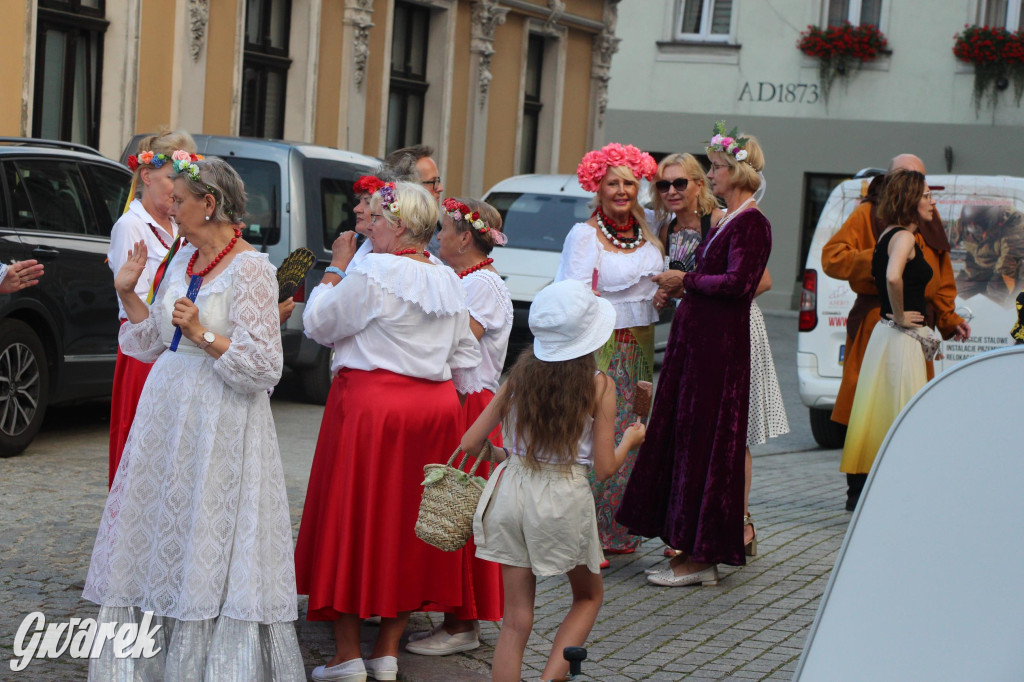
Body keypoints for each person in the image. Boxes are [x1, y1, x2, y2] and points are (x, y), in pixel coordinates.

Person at [83, 158, 304, 679]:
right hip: (168, 409)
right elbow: (151, 341)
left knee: (209, 527)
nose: (169, 207)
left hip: (222, 415)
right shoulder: (181, 257)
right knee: (165, 526)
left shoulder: (251, 269)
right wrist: (129, 292)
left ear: (209, 204)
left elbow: (263, 366)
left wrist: (204, 333)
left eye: (179, 200)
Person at [295, 181, 481, 682]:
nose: (367, 224)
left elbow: (318, 323)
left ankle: (348, 654)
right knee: (408, 527)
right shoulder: (446, 279)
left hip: (374, 410)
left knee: (354, 519)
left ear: (397, 225)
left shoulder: (373, 270)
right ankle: (388, 649)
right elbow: (467, 359)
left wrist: (335, 268)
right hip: (434, 411)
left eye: (375, 217)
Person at [460, 279, 646, 682]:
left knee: (516, 619)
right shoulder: (599, 385)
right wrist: (631, 440)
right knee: (588, 595)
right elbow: (603, 469)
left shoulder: (519, 378)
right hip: (563, 497)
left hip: (511, 491)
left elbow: (471, 442)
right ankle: (550, 679)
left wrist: (506, 455)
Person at [616, 122, 772, 587]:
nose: (713, 174)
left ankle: (701, 557)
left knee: (709, 448)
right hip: (697, 346)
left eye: (719, 167)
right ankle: (685, 547)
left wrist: (687, 281)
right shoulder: (730, 218)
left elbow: (741, 285)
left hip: (718, 353)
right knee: (687, 444)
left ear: (738, 172)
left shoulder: (752, 222)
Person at [822, 153, 969, 510]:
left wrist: (949, 319)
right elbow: (833, 258)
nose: (921, 189)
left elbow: (941, 280)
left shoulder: (928, 226)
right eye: (908, 178)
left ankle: (901, 482)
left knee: (907, 405)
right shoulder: (868, 215)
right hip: (880, 319)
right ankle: (859, 487)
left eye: (920, 178)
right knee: (869, 404)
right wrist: (887, 258)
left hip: (918, 326)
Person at [406, 197, 511, 656]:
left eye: (444, 230)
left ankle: (463, 622)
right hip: (460, 402)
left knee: (462, 511)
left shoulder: (483, 284)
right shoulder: (464, 278)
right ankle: (452, 612)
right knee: (448, 507)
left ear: (465, 237)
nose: (438, 238)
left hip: (474, 406)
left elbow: (457, 343)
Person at [555, 142, 662, 559]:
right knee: (598, 431)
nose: (621, 191)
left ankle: (620, 528)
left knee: (634, 428)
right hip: (602, 342)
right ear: (597, 188)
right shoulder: (584, 235)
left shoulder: (650, 226)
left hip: (642, 339)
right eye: (612, 183)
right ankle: (587, 532)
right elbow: (574, 293)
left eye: (629, 184)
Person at [106, 130, 199, 487]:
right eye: (171, 178)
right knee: (140, 440)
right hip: (144, 347)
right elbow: (133, 298)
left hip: (174, 347)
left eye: (183, 179)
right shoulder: (131, 226)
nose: (177, 188)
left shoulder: (179, 224)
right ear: (146, 176)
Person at [840, 170, 940, 485]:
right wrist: (899, 315)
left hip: (887, 337)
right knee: (902, 411)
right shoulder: (905, 237)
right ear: (911, 200)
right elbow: (893, 276)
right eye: (926, 195)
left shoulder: (888, 234)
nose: (932, 201)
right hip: (899, 337)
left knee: (880, 411)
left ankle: (875, 485)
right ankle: (901, 482)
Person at [949, 204, 1024, 303]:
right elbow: (944, 243)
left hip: (1008, 272)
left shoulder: (1014, 223)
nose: (983, 234)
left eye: (986, 228)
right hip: (977, 270)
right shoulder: (963, 224)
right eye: (976, 230)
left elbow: (1009, 263)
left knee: (998, 297)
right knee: (955, 294)